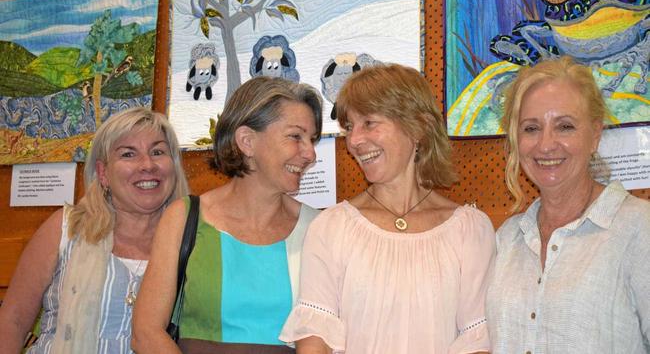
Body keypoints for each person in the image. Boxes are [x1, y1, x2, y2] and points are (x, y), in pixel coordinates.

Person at [280, 64, 496, 353]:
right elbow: (315, 337)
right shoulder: (332, 227)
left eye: (369, 122)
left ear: (417, 127)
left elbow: (477, 339)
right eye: (350, 126)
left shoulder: (470, 230)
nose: (354, 140)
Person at [132, 76, 323, 353]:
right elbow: (146, 333)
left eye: (312, 139)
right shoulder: (185, 218)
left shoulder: (318, 228)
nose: (310, 154)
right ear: (246, 141)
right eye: (296, 136)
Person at [486, 56, 650, 353]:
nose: (546, 144)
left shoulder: (640, 230)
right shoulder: (507, 239)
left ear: (595, 136)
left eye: (565, 127)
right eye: (531, 128)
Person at [0, 107, 189, 353]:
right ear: (103, 174)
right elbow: (12, 322)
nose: (147, 165)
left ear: (173, 166)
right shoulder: (66, 228)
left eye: (158, 152)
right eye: (128, 154)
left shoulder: (193, 240)